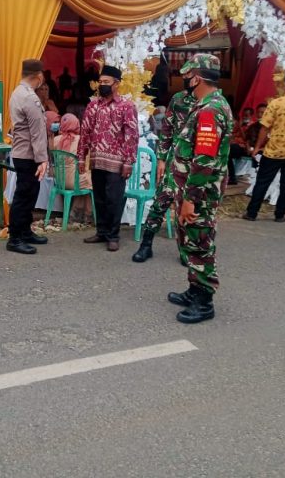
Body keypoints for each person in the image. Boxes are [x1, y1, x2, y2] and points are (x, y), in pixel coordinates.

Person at [167, 53, 233, 324]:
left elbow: (204, 159)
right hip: (193, 192)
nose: (186, 80)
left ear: (198, 77)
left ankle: (204, 302)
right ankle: (195, 290)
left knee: (200, 244)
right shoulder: (205, 105)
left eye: (188, 75)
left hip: (200, 194)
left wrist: (190, 199)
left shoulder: (210, 110)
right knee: (191, 241)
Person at [132, 80, 196, 263]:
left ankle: (186, 250)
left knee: (188, 209)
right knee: (159, 205)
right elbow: (166, 129)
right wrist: (160, 159)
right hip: (174, 165)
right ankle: (146, 246)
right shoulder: (178, 99)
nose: (188, 79)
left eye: (191, 75)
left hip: (195, 167)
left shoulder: (210, 103)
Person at [78, 65, 139, 252]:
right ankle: (102, 232)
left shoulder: (126, 106)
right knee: (100, 198)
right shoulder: (93, 105)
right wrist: (81, 157)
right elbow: (85, 131)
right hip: (97, 160)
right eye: (101, 82)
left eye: (106, 82)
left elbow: (132, 135)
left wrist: (129, 161)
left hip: (117, 162)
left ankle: (113, 235)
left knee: (114, 198)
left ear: (116, 84)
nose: (102, 85)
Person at [242, 70, 285, 222]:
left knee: (263, 181)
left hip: (274, 150)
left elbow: (265, 127)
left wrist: (258, 146)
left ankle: (252, 213)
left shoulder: (276, 103)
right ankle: (280, 214)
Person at [7, 59, 50, 254]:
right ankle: (15, 238)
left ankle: (25, 231)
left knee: (29, 193)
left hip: (23, 152)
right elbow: (37, 132)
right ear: (39, 76)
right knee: (24, 196)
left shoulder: (18, 92)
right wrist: (42, 159)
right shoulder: (29, 98)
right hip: (28, 154)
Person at [54, 113, 94, 223]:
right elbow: (87, 163)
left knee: (85, 179)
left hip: (59, 181)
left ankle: (77, 213)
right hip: (74, 182)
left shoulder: (56, 140)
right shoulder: (81, 140)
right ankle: (87, 214)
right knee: (91, 179)